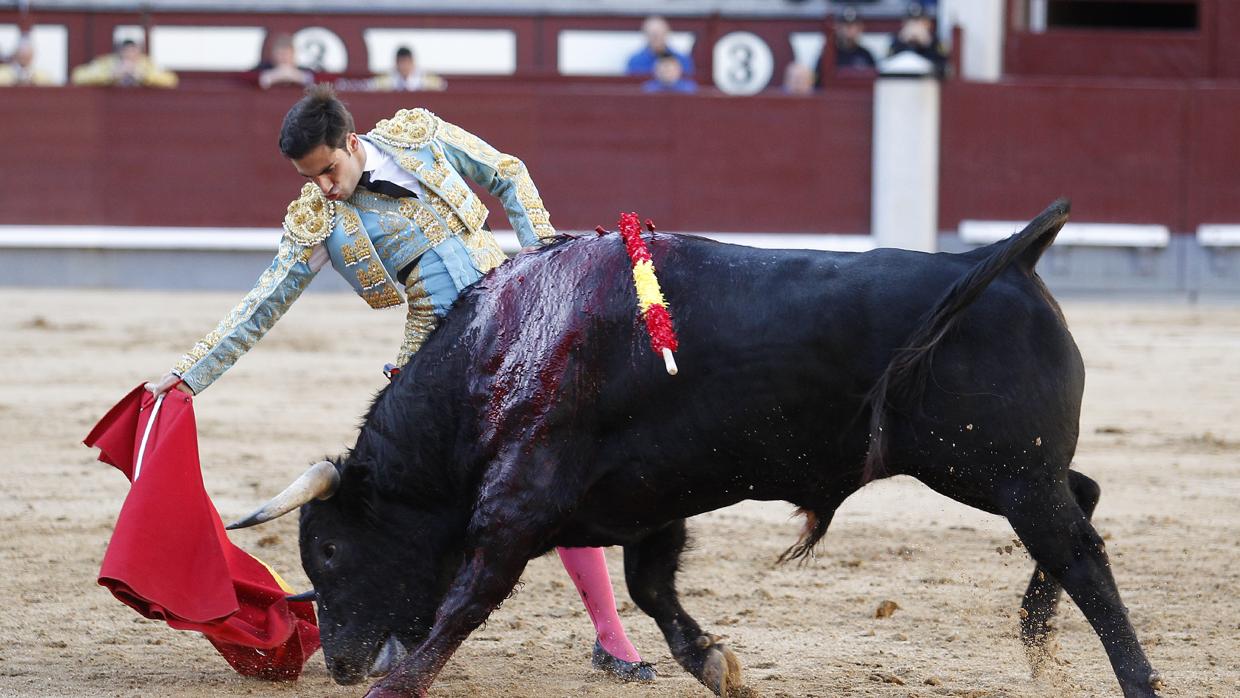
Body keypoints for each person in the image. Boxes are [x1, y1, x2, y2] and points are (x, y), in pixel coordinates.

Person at [145, 85, 654, 682]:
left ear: (353, 143)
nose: (327, 188)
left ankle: (610, 637)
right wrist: (188, 374)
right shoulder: (321, 220)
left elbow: (509, 174)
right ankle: (400, 630)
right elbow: (262, 306)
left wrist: (544, 260)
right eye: (313, 179)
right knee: (487, 492)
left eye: (330, 170)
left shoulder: (420, 135)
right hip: (437, 370)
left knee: (553, 469)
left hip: (520, 328)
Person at [70, 39, 177, 88]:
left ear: (138, 52)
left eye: (133, 51)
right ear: (119, 51)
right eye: (126, 51)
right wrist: (110, 76)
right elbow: (78, 76)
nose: (129, 54)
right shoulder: (107, 64)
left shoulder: (146, 65)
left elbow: (171, 80)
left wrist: (144, 77)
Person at [888, 1, 948, 76]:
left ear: (927, 24)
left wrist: (927, 44)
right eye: (911, 21)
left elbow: (944, 69)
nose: (915, 27)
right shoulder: (897, 41)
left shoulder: (934, 42)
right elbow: (888, 65)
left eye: (919, 21)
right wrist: (903, 42)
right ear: (904, 24)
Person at [625, 15, 694, 78]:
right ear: (645, 34)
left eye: (659, 34)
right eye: (652, 34)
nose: (656, 38)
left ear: (667, 33)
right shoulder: (635, 61)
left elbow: (689, 84)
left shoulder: (681, 60)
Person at [370, 46, 446, 92]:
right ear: (396, 63)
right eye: (401, 62)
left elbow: (442, 85)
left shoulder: (427, 80)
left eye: (407, 62)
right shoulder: (385, 81)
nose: (404, 66)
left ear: (412, 62)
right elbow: (370, 85)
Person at [833, 7, 877, 71]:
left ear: (859, 28)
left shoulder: (866, 55)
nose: (849, 28)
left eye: (853, 25)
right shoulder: (830, 56)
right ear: (838, 27)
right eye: (845, 24)